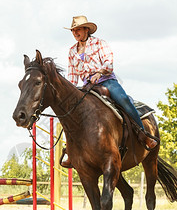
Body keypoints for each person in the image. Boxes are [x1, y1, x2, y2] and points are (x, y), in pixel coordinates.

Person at [61, 15, 157, 167]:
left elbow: (108, 62)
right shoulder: (72, 51)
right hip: (86, 86)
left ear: (87, 29)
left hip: (106, 80)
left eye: (78, 29)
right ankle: (72, 151)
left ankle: (143, 134)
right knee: (72, 112)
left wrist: (99, 73)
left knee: (123, 100)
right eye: (73, 30)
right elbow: (72, 76)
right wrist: (71, 92)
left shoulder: (100, 43)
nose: (75, 33)